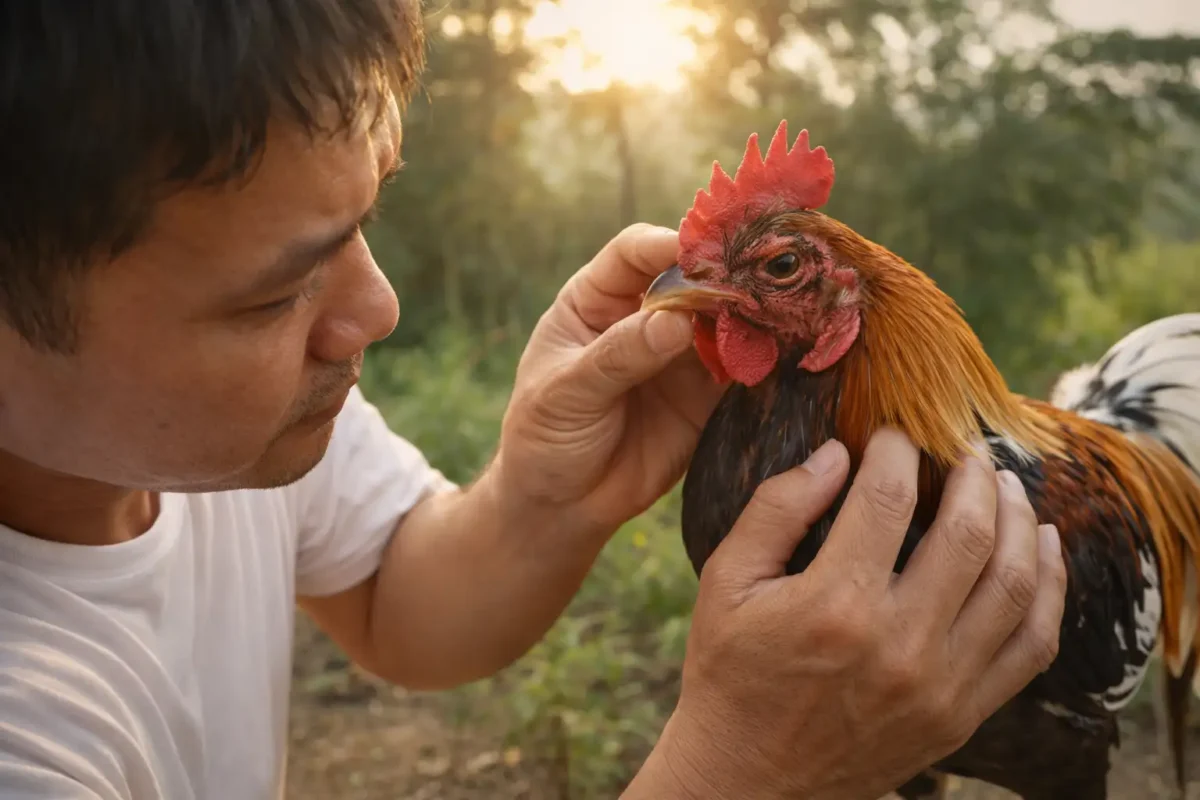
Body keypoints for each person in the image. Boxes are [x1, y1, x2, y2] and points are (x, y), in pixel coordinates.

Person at [0, 2, 1066, 799]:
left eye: (368, 215)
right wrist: (738, 771)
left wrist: (546, 496)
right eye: (278, 290)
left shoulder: (213, 437)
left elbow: (396, 601)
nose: (378, 307)